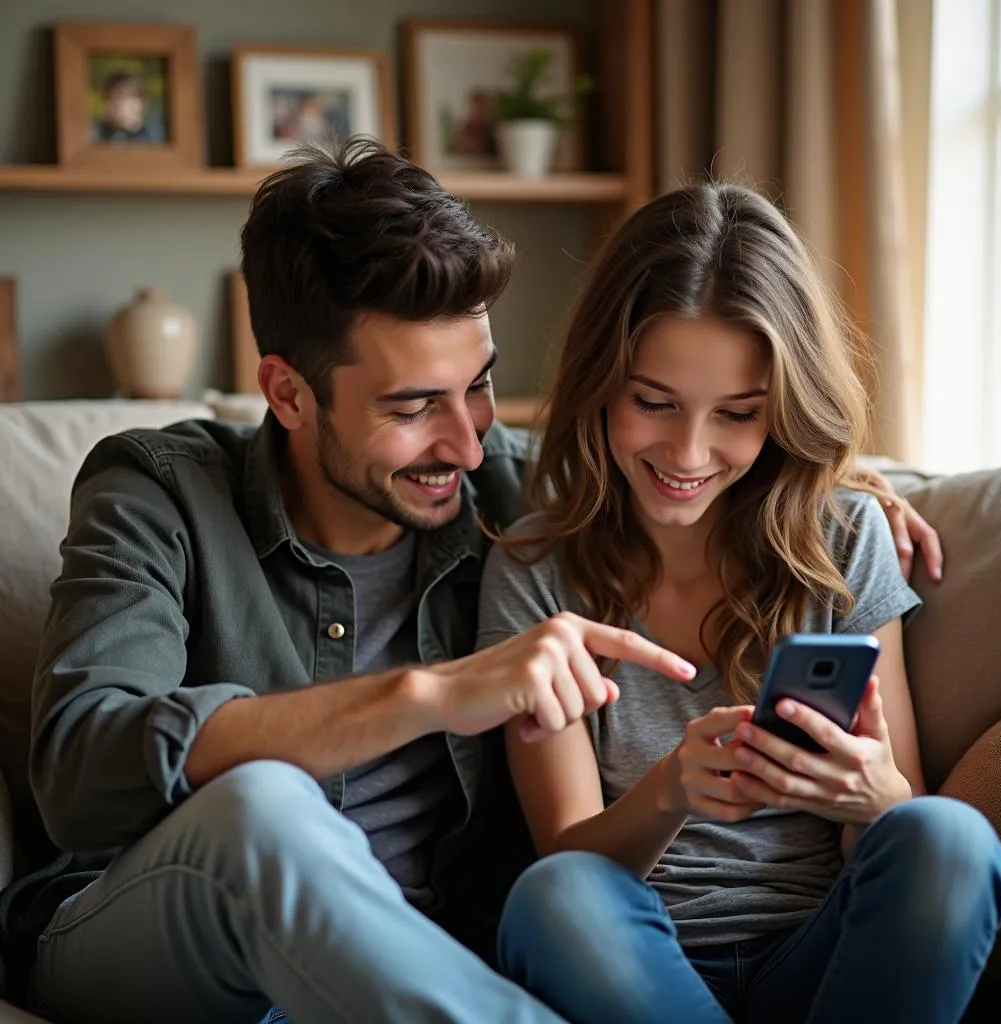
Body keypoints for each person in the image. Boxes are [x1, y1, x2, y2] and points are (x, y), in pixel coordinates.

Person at [0, 140, 941, 1024]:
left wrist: (849, 483)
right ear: (287, 393)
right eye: (411, 407)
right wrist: (430, 694)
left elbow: (682, 461)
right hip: (166, 936)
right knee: (263, 803)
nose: (464, 439)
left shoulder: (507, 488)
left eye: (480, 387)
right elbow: (82, 769)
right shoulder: (157, 492)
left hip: (413, 960)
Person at [477, 182, 1001, 1024]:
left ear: (782, 411)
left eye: (736, 415)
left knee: (947, 837)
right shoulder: (537, 570)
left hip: (827, 960)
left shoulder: (845, 539)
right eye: (653, 402)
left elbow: (898, 834)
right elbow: (566, 853)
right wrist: (671, 791)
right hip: (638, 959)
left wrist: (873, 798)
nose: (688, 452)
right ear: (601, 384)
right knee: (554, 895)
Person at [92, 70, 163, 144]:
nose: (115, 104)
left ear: (141, 103)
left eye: (122, 98)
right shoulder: (94, 135)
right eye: (109, 98)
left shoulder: (158, 137)